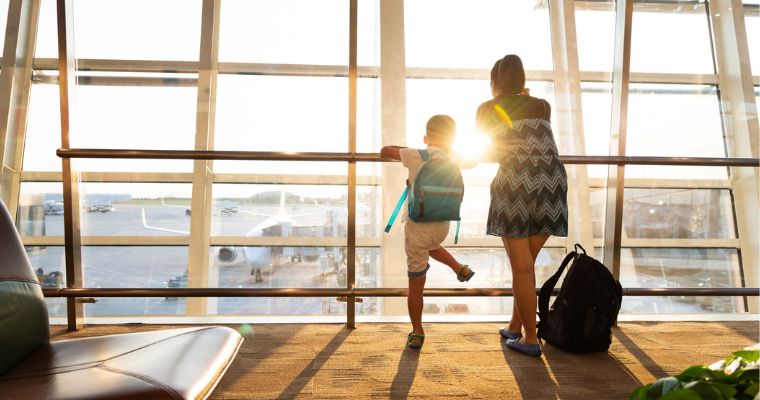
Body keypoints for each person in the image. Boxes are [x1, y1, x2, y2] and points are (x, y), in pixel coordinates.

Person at [476, 54, 568, 357]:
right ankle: (515, 326)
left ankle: (530, 338)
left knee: (522, 267)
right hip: (552, 185)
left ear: (494, 83)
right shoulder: (543, 106)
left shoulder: (488, 109)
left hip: (516, 186)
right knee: (526, 264)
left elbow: (489, 152)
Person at [381, 114, 475, 349]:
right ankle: (458, 268)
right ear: (452, 139)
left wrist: (412, 148)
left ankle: (417, 330)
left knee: (416, 285)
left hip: (417, 227)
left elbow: (385, 150)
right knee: (432, 245)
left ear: (426, 137)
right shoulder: (455, 158)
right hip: (443, 224)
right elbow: (474, 161)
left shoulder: (414, 155)